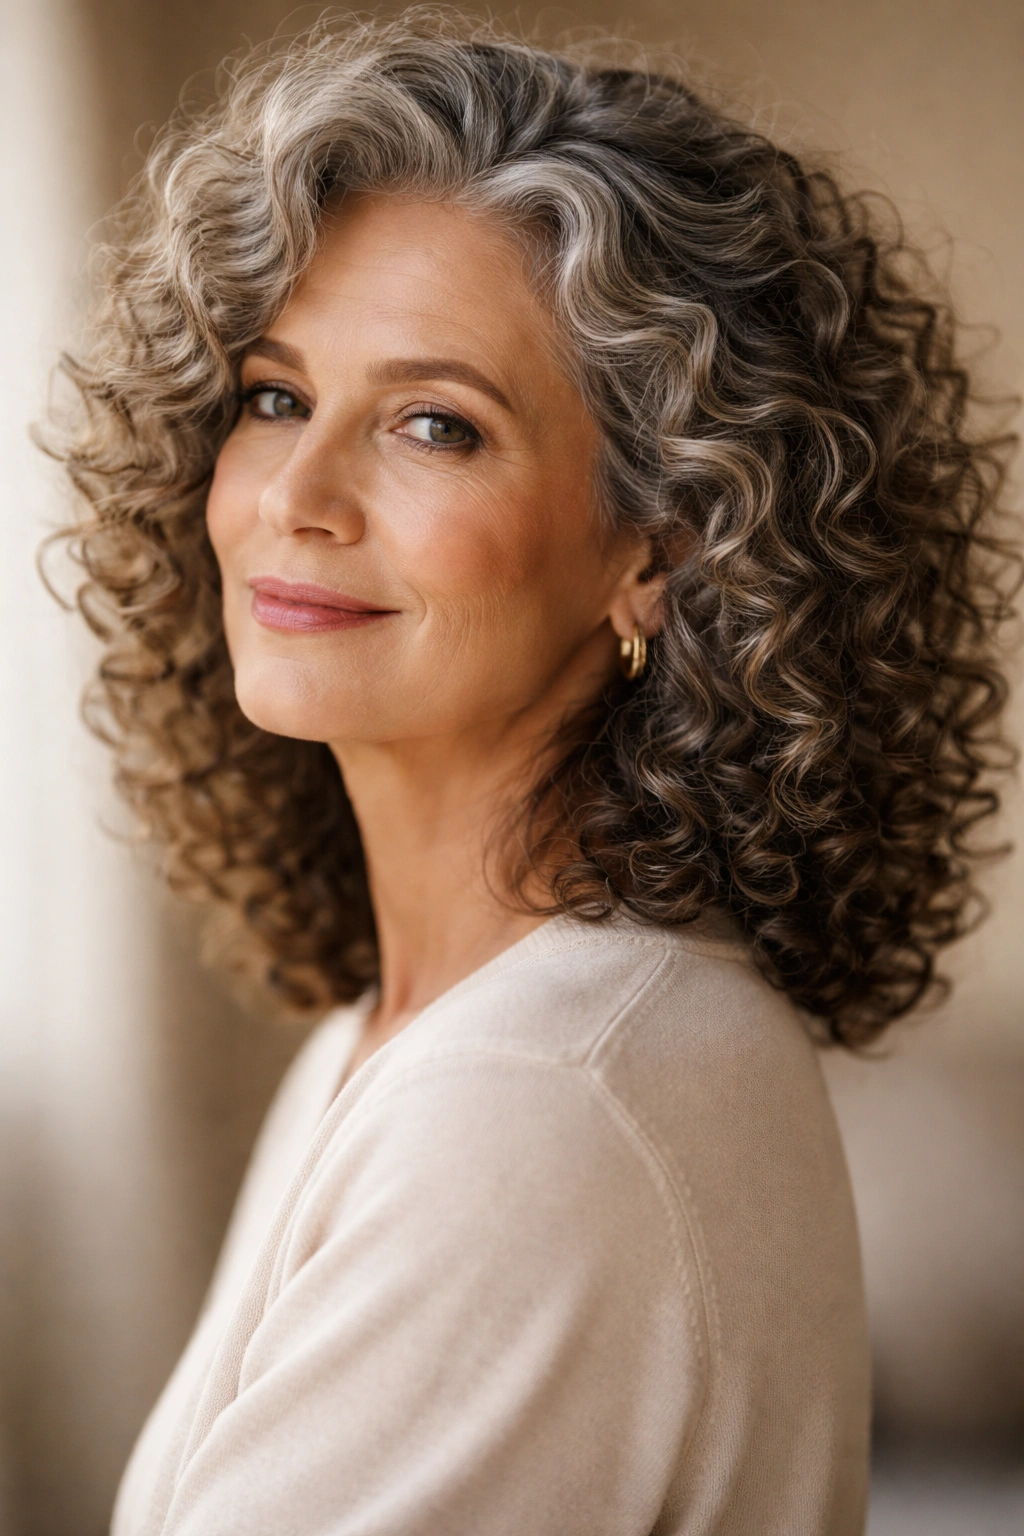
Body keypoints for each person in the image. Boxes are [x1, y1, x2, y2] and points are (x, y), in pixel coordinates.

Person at [48, 12, 1018, 1535]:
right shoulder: (420, 1031)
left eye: (437, 425)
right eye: (274, 395)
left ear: (661, 546)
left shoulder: (540, 1099)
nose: (294, 495)